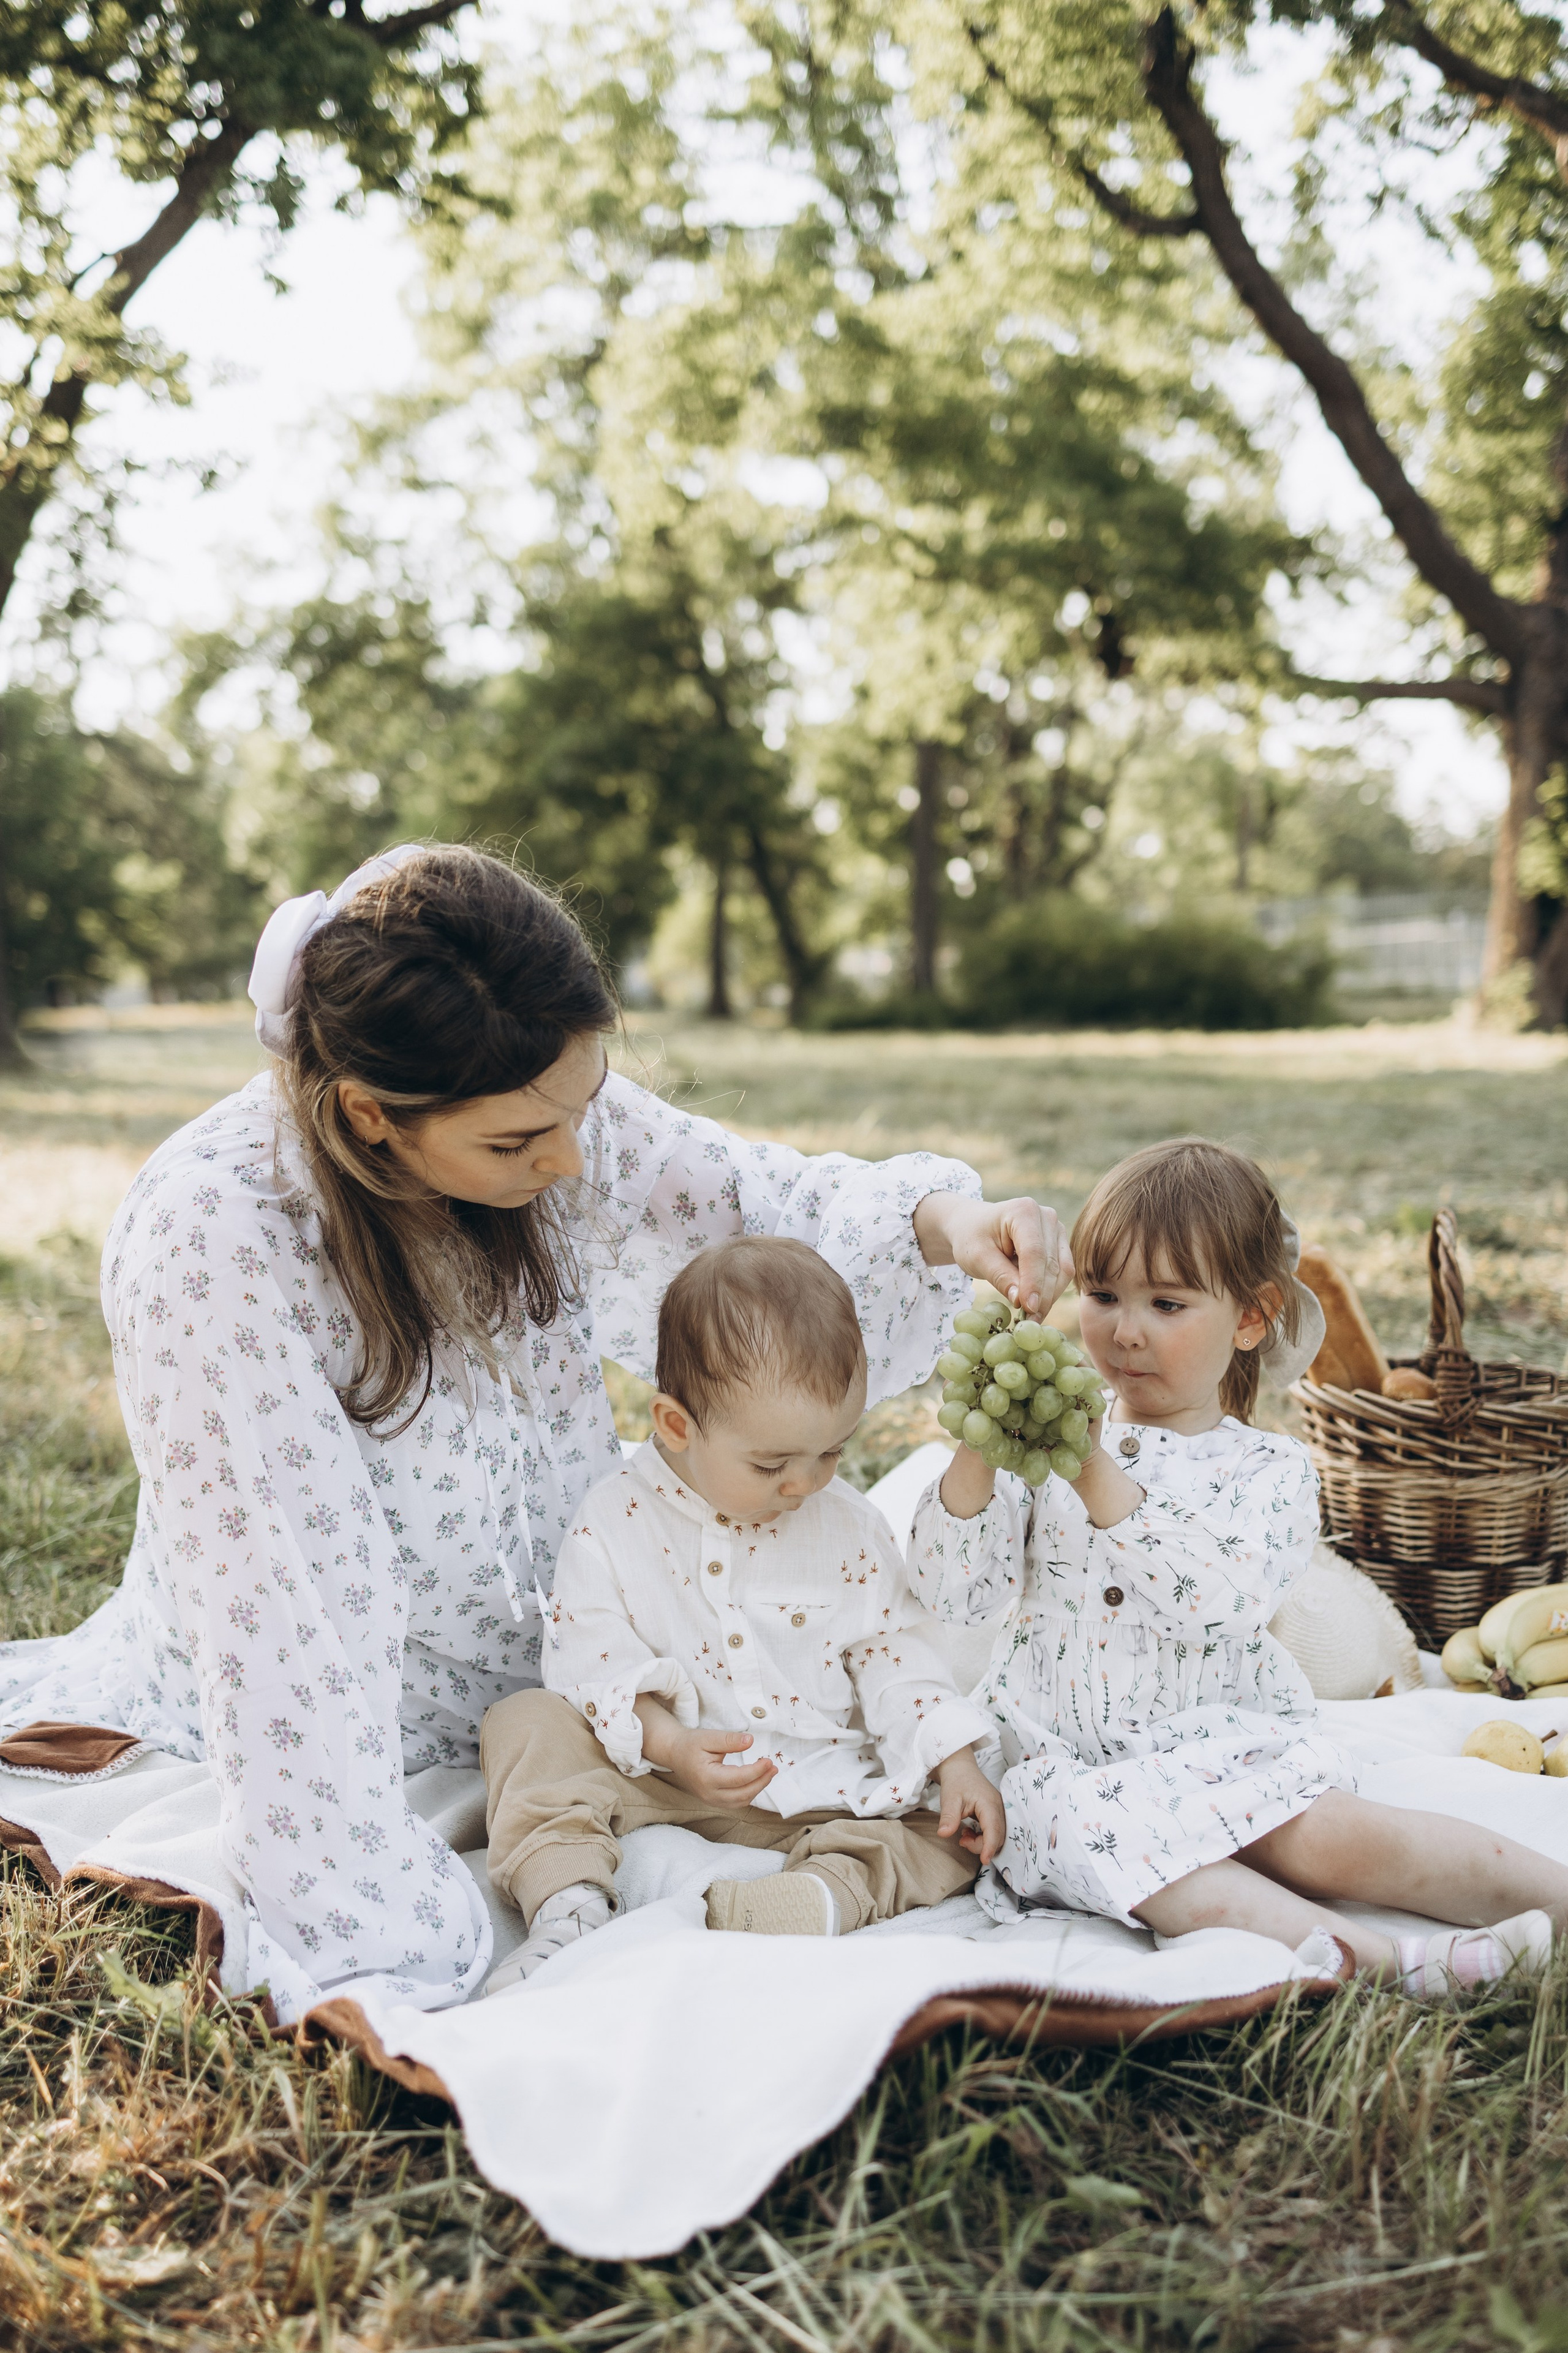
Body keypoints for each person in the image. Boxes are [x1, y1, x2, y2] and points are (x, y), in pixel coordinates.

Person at [0, 844, 1063, 2014]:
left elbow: (742, 1201)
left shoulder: (534, 1091)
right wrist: (365, 1917)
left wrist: (946, 1220)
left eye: (583, 1112)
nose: (568, 1163)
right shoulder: (214, 1242)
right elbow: (282, 1602)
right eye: (515, 1145)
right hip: (367, 1677)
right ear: (369, 1116)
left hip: (580, 1636)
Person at [909, 1138, 1568, 1996]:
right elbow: (955, 1592)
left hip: (1220, 1750)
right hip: (1071, 1772)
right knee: (1152, 1865)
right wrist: (975, 1454)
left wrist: (1095, 1471)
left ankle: (1550, 1895)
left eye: (1167, 1303)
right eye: (1102, 1295)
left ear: (1250, 1319)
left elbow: (1217, 1601)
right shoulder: (1049, 1441)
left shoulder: (1267, 1470)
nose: (1125, 1330)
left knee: (1339, 1837)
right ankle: (1391, 1967)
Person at [480, 1236, 1005, 1990]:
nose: (806, 1484)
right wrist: (671, 1744)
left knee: (955, 1824)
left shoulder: (849, 1529)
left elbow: (896, 1657)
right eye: (771, 1464)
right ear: (676, 1426)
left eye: (832, 1452)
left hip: (823, 1791)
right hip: (659, 1778)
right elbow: (592, 1657)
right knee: (525, 1723)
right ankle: (568, 1902)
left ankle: (815, 1896)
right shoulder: (614, 1521)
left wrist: (953, 1760)